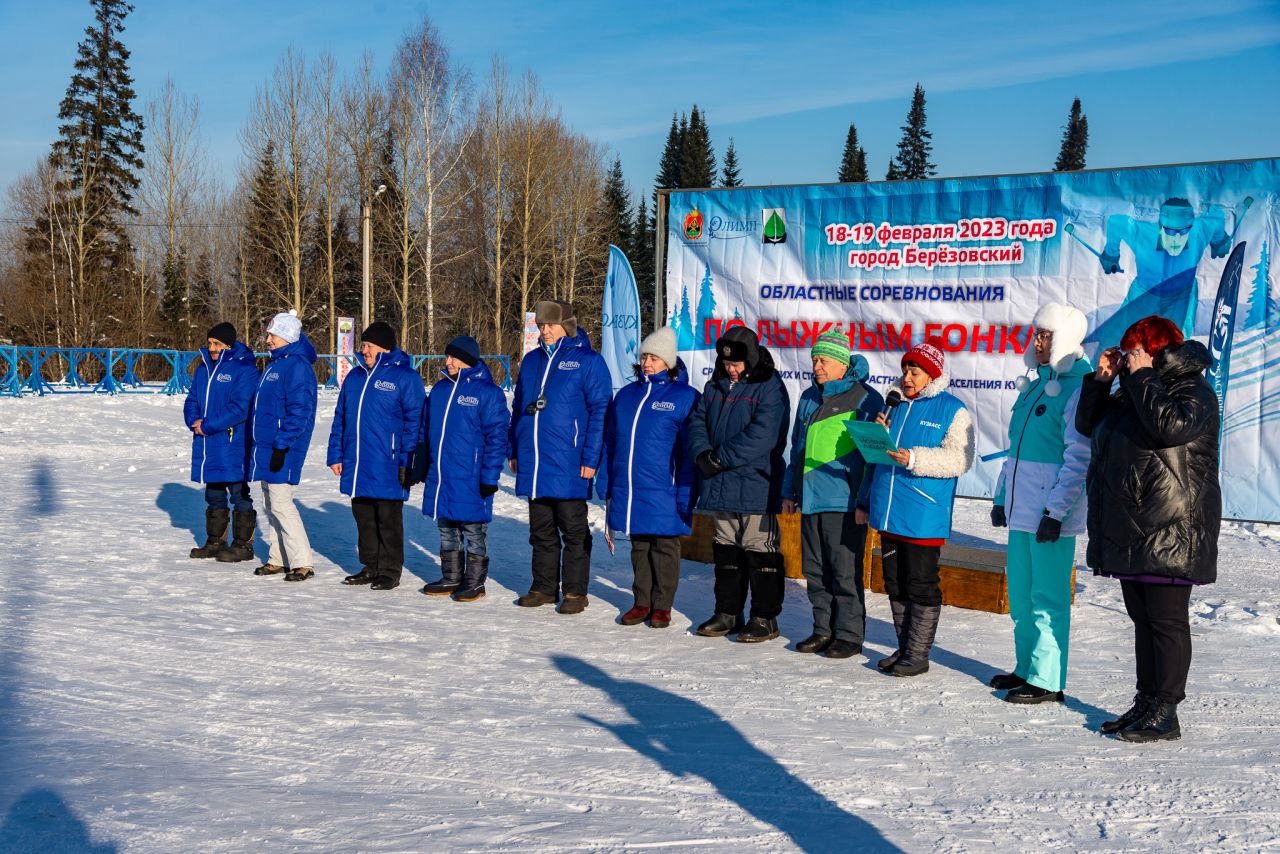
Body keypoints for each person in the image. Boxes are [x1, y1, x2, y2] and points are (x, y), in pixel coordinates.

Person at [1075, 315, 1220, 742]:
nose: (1130, 357)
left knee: (1166, 620)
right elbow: (1088, 427)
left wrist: (1139, 378)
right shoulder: (1135, 389)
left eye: (1136, 349)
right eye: (1127, 350)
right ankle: (1146, 701)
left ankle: (1167, 709)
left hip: (1173, 523)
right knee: (1142, 618)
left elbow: (1169, 428)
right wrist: (1101, 382)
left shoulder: (1192, 389)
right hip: (1133, 523)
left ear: (1158, 350)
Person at [989, 303, 1092, 703]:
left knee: (1048, 598)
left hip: (1049, 517)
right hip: (1021, 513)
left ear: (1064, 337)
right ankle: (1025, 667)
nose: (1037, 341)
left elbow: (1078, 459)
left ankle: (1048, 679)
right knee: (1022, 594)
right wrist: (1001, 497)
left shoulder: (1080, 387)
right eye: (1037, 334)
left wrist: (1056, 513)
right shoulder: (1037, 383)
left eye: (1045, 335)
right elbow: (1014, 451)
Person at [857, 337, 975, 676]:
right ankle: (904, 648)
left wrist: (914, 458)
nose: (907, 377)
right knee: (894, 582)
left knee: (921, 582)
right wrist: (876, 436)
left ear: (932, 375)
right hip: (890, 509)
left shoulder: (952, 409)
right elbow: (877, 459)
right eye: (906, 369)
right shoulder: (894, 406)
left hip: (923, 513)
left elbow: (960, 458)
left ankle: (918, 654)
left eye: (916, 371)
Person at [687, 325, 790, 643]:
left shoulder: (769, 386)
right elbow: (697, 421)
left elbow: (763, 435)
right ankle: (728, 612)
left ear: (751, 358)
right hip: (721, 482)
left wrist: (720, 458)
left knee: (760, 549)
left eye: (736, 364)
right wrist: (702, 452)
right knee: (726, 548)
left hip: (756, 482)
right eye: (726, 363)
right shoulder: (714, 384)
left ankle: (765, 617)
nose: (730, 369)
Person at [782, 333, 883, 659]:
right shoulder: (810, 397)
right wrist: (790, 490)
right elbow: (797, 448)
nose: (817, 366)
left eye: (823, 360)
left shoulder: (865, 399)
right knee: (815, 571)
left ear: (842, 364)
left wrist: (863, 501)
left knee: (843, 571)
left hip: (844, 502)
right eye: (814, 359)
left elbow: (873, 458)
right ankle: (822, 630)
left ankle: (849, 635)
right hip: (810, 499)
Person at [508, 300, 611, 614]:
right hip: (536, 461)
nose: (544, 330)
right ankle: (543, 587)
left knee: (574, 530)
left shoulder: (588, 362)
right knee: (540, 530)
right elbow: (518, 407)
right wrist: (514, 448)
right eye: (540, 325)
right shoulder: (531, 361)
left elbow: (600, 412)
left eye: (550, 324)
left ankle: (575, 592)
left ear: (566, 324)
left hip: (569, 460)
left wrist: (591, 458)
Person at [596, 326, 700, 629]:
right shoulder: (626, 396)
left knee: (665, 545)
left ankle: (662, 605)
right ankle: (642, 601)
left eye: (654, 357)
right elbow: (611, 443)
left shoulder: (685, 397)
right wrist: (606, 483)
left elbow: (688, 453)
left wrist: (685, 492)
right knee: (640, 545)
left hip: (664, 487)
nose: (647, 363)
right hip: (630, 485)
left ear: (668, 362)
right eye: (644, 357)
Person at [326, 322, 425, 591]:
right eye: (363, 345)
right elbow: (341, 418)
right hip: (358, 460)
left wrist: (409, 460)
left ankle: (390, 570)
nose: (363, 350)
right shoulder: (355, 377)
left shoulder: (405, 378)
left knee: (388, 519)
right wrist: (336, 453)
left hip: (389, 461)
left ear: (384, 347)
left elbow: (415, 422)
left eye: (368, 345)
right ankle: (370, 565)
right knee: (364, 517)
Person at [417, 335, 510, 602]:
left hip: (471, 474)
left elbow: (497, 437)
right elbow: (426, 429)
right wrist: (422, 462)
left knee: (472, 528)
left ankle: (474, 582)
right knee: (446, 526)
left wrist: (490, 476)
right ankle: (451, 576)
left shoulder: (487, 393)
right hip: (443, 473)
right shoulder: (440, 390)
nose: (447, 362)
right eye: (447, 357)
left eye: (453, 357)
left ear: (467, 360)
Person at [248, 309, 319, 582]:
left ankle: (302, 561)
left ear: (287, 336)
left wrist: (282, 444)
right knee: (270, 503)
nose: (267, 340)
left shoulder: (297, 367)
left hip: (283, 449)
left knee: (281, 503)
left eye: (272, 335)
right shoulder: (275, 365)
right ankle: (278, 559)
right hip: (267, 447)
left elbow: (300, 411)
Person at [183, 322, 260, 562]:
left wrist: (207, 425)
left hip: (232, 442)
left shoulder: (244, 369)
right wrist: (193, 420)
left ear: (229, 344)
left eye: (217, 343)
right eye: (209, 343)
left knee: (238, 493)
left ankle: (243, 544)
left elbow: (239, 408)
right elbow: (192, 399)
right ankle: (215, 541)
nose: (212, 347)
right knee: (213, 493)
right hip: (207, 444)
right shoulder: (204, 369)